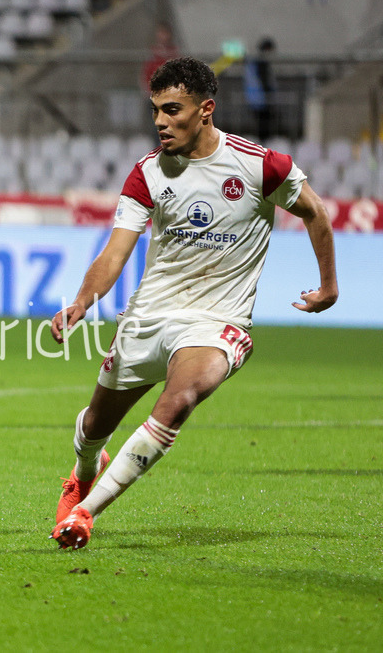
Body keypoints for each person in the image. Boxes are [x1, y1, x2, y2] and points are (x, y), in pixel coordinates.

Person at [49, 56, 337, 550]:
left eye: (172, 110)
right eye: (155, 110)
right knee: (95, 425)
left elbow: (315, 212)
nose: (160, 121)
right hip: (149, 316)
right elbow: (115, 252)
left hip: (217, 321)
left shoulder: (259, 165)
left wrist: (328, 285)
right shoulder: (147, 173)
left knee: (179, 399)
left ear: (205, 110)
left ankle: (84, 513)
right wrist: (81, 301)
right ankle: (82, 473)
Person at [243, 37, 277, 142]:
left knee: (262, 122)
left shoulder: (254, 62)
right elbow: (263, 81)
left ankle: (262, 140)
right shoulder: (260, 62)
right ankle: (263, 141)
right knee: (263, 123)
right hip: (261, 98)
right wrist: (269, 93)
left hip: (257, 97)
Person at [140, 21, 179, 95]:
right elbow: (146, 73)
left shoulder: (174, 52)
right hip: (154, 91)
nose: (162, 36)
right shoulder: (152, 52)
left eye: (165, 33)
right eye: (160, 32)